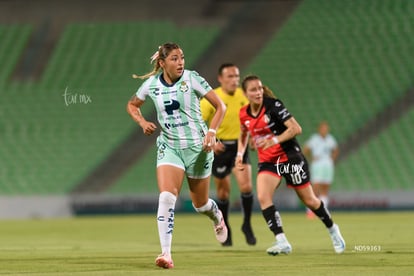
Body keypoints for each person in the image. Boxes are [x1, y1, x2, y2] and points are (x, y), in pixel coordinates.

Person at [126, 42, 228, 269]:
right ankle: (166, 254)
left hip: (198, 148)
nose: (180, 62)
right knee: (166, 197)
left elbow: (221, 106)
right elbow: (132, 105)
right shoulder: (151, 85)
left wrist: (212, 132)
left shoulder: (192, 78)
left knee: (200, 205)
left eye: (181, 57)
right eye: (174, 58)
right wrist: (142, 122)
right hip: (170, 147)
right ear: (162, 63)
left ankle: (216, 216)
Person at [235, 75, 346, 255]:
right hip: (268, 162)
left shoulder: (273, 106)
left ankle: (333, 229)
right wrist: (241, 153)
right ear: (245, 94)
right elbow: (244, 134)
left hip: (289, 157)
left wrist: (274, 140)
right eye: (253, 90)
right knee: (263, 197)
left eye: (260, 88)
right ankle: (282, 241)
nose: (258, 92)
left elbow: (296, 128)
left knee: (310, 200)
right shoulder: (243, 114)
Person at [200, 63, 256, 246]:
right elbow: (198, 122)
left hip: (240, 146)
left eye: (236, 76)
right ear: (220, 79)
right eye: (230, 76)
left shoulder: (244, 96)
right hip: (221, 148)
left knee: (246, 186)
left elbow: (252, 120)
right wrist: (211, 141)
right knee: (223, 192)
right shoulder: (212, 98)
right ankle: (226, 227)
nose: (234, 80)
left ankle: (247, 224)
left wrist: (254, 137)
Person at [303, 121, 339, 218]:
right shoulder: (314, 139)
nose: (324, 130)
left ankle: (324, 210)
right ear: (319, 129)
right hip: (317, 164)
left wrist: (332, 159)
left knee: (325, 187)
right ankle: (311, 210)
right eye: (323, 128)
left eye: (326, 128)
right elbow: (306, 149)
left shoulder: (330, 139)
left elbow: (335, 150)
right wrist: (311, 158)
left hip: (327, 164)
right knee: (315, 187)